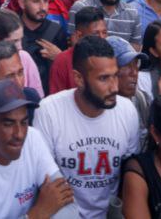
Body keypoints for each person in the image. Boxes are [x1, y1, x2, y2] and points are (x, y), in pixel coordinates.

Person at [33, 34, 141, 219]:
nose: (114, 87)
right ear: (78, 78)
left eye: (115, 75)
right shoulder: (48, 112)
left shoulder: (127, 111)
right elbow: (47, 184)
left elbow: (130, 173)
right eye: (104, 79)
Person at [0, 78, 77, 218]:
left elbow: (69, 207)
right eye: (8, 124)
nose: (20, 134)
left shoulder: (33, 138)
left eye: (24, 122)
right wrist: (37, 214)